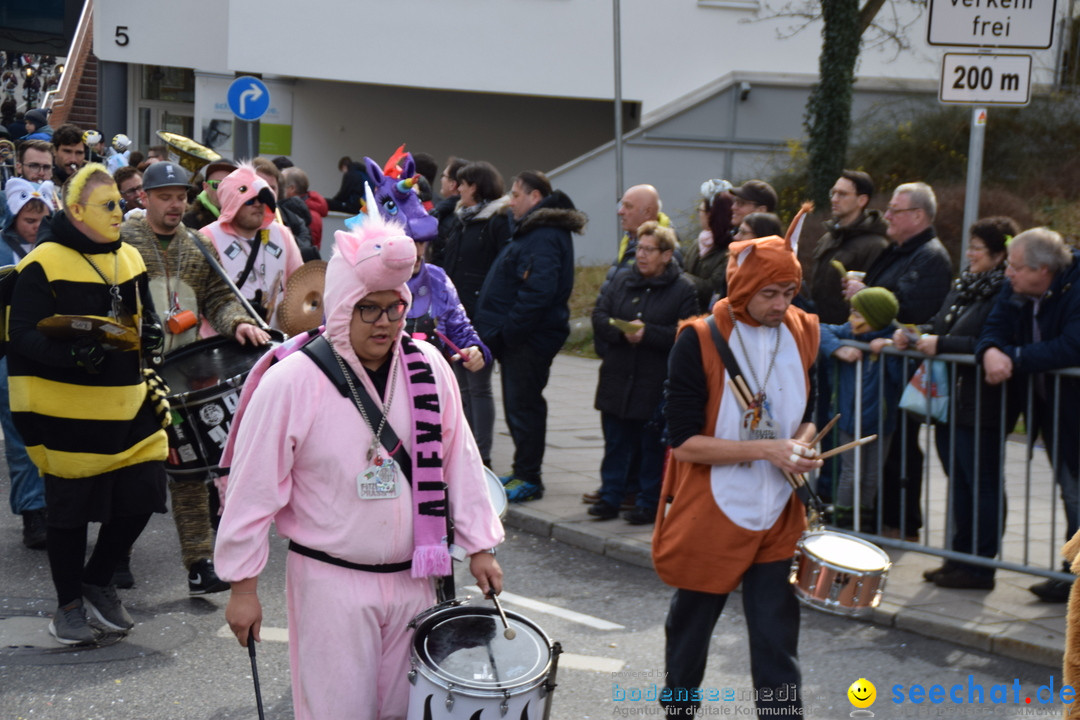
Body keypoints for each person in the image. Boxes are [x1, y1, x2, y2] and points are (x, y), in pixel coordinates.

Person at [214, 211, 504, 720]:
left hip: (417, 578)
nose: (386, 323)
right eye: (369, 309)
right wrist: (243, 587)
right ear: (342, 305)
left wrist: (480, 546)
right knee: (336, 711)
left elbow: (461, 459)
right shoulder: (293, 381)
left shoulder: (430, 366)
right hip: (331, 580)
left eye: (395, 308)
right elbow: (253, 487)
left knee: (404, 711)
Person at [653, 234, 821, 718]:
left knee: (776, 640)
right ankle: (678, 712)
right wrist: (769, 448)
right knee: (690, 633)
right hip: (712, 508)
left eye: (789, 292)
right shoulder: (699, 338)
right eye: (770, 293)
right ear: (743, 286)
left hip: (779, 512)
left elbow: (815, 409)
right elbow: (683, 441)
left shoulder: (802, 330)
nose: (781, 304)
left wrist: (804, 444)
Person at [7, 163, 170, 644]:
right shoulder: (42, 262)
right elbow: (20, 338)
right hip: (63, 412)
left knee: (145, 492)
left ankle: (97, 580)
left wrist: (153, 333)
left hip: (128, 404)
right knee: (70, 511)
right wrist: (72, 355)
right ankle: (68, 606)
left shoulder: (132, 259)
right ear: (76, 211)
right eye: (109, 205)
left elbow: (145, 320)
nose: (122, 211)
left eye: (121, 202)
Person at [119, 160, 270, 594]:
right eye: (165, 196)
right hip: (132, 374)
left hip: (183, 377)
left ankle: (200, 563)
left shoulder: (199, 246)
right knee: (132, 470)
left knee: (188, 471)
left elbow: (221, 298)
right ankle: (117, 555)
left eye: (181, 196)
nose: (175, 204)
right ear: (143, 198)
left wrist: (238, 322)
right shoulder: (124, 240)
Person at [882, 217, 1019, 591]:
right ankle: (959, 558)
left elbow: (991, 342)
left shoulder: (1007, 292)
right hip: (952, 403)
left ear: (999, 253)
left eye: (977, 248)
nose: (970, 254)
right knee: (959, 481)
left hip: (984, 403)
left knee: (982, 483)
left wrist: (940, 345)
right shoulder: (965, 286)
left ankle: (980, 565)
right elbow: (940, 324)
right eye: (970, 246)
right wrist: (915, 334)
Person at [844, 181, 952, 540]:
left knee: (902, 446)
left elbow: (911, 308)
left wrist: (868, 298)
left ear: (918, 215)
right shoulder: (898, 250)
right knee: (884, 446)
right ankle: (881, 517)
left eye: (896, 209)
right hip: (883, 365)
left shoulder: (930, 257)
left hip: (903, 368)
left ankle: (902, 522)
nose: (886, 215)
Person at [977, 227, 1080, 603]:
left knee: (1076, 494)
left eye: (1017, 268)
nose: (1008, 274)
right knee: (1071, 493)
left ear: (1044, 270)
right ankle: (1071, 577)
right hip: (1051, 409)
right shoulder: (1018, 286)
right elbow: (994, 328)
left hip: (1073, 409)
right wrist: (990, 351)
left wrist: (1014, 358)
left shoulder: (1076, 287)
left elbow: (1073, 346)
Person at [474, 171, 586, 503]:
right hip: (519, 337)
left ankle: (530, 476)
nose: (511, 201)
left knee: (524, 406)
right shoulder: (532, 230)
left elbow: (538, 292)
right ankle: (523, 469)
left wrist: (509, 332)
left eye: (516, 194)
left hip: (529, 338)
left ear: (535, 197)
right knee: (517, 404)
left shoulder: (545, 234)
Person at [589, 222, 697, 525]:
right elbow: (599, 316)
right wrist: (620, 331)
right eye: (639, 249)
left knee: (650, 447)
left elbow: (686, 332)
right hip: (617, 374)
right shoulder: (622, 280)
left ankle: (648, 502)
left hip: (653, 379)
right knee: (615, 443)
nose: (641, 255)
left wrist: (648, 334)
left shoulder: (683, 288)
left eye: (649, 250)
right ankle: (610, 497)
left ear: (666, 255)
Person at [440, 161, 512, 465]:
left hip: (481, 313)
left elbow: (501, 269)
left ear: (478, 187)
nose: (460, 189)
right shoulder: (461, 219)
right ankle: (464, 451)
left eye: (465, 184)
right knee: (460, 388)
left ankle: (482, 456)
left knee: (478, 386)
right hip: (457, 312)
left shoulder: (496, 221)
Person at [820, 287, 902, 529]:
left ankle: (863, 525)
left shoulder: (895, 339)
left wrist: (890, 349)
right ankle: (843, 525)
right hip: (849, 419)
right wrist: (838, 348)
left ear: (875, 317)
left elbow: (900, 377)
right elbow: (819, 329)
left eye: (858, 314)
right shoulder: (848, 333)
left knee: (871, 476)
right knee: (851, 474)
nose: (852, 320)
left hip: (881, 422)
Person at [1, 179, 55, 549]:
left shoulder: (58, 250)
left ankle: (56, 507)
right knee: (20, 438)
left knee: (53, 434)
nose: (35, 227)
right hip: (8, 356)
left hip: (47, 351)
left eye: (41, 219)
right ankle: (33, 512)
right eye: (28, 220)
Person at [199, 162, 303, 332]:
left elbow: (300, 284)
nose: (258, 204)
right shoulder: (207, 238)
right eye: (249, 200)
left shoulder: (282, 234)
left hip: (276, 343)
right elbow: (198, 300)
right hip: (224, 345)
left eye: (262, 199)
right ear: (233, 202)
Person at [810, 170, 889, 325]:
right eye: (833, 193)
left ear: (862, 200)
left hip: (851, 334)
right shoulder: (828, 238)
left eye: (842, 194)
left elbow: (874, 298)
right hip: (821, 331)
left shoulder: (876, 245)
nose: (834, 199)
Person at [253, 156, 317, 261]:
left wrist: (282, 235)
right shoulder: (237, 219)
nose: (268, 192)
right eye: (262, 186)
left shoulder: (295, 221)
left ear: (279, 191)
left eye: (272, 188)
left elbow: (304, 252)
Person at [683, 179, 733, 312]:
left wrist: (681, 277)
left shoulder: (729, 250)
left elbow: (713, 289)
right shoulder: (697, 244)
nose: (699, 214)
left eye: (700, 210)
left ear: (711, 215)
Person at [429, 156, 469, 266]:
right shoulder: (444, 211)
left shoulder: (452, 215)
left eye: (444, 176)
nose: (441, 179)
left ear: (453, 184)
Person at [182, 158, 237, 230]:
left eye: (229, 184)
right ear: (205, 187)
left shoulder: (247, 218)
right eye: (216, 184)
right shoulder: (190, 221)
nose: (223, 190)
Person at [281, 166, 329, 249]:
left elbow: (308, 247)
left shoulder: (311, 215)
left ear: (292, 188)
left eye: (282, 185)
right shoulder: (310, 211)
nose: (278, 189)